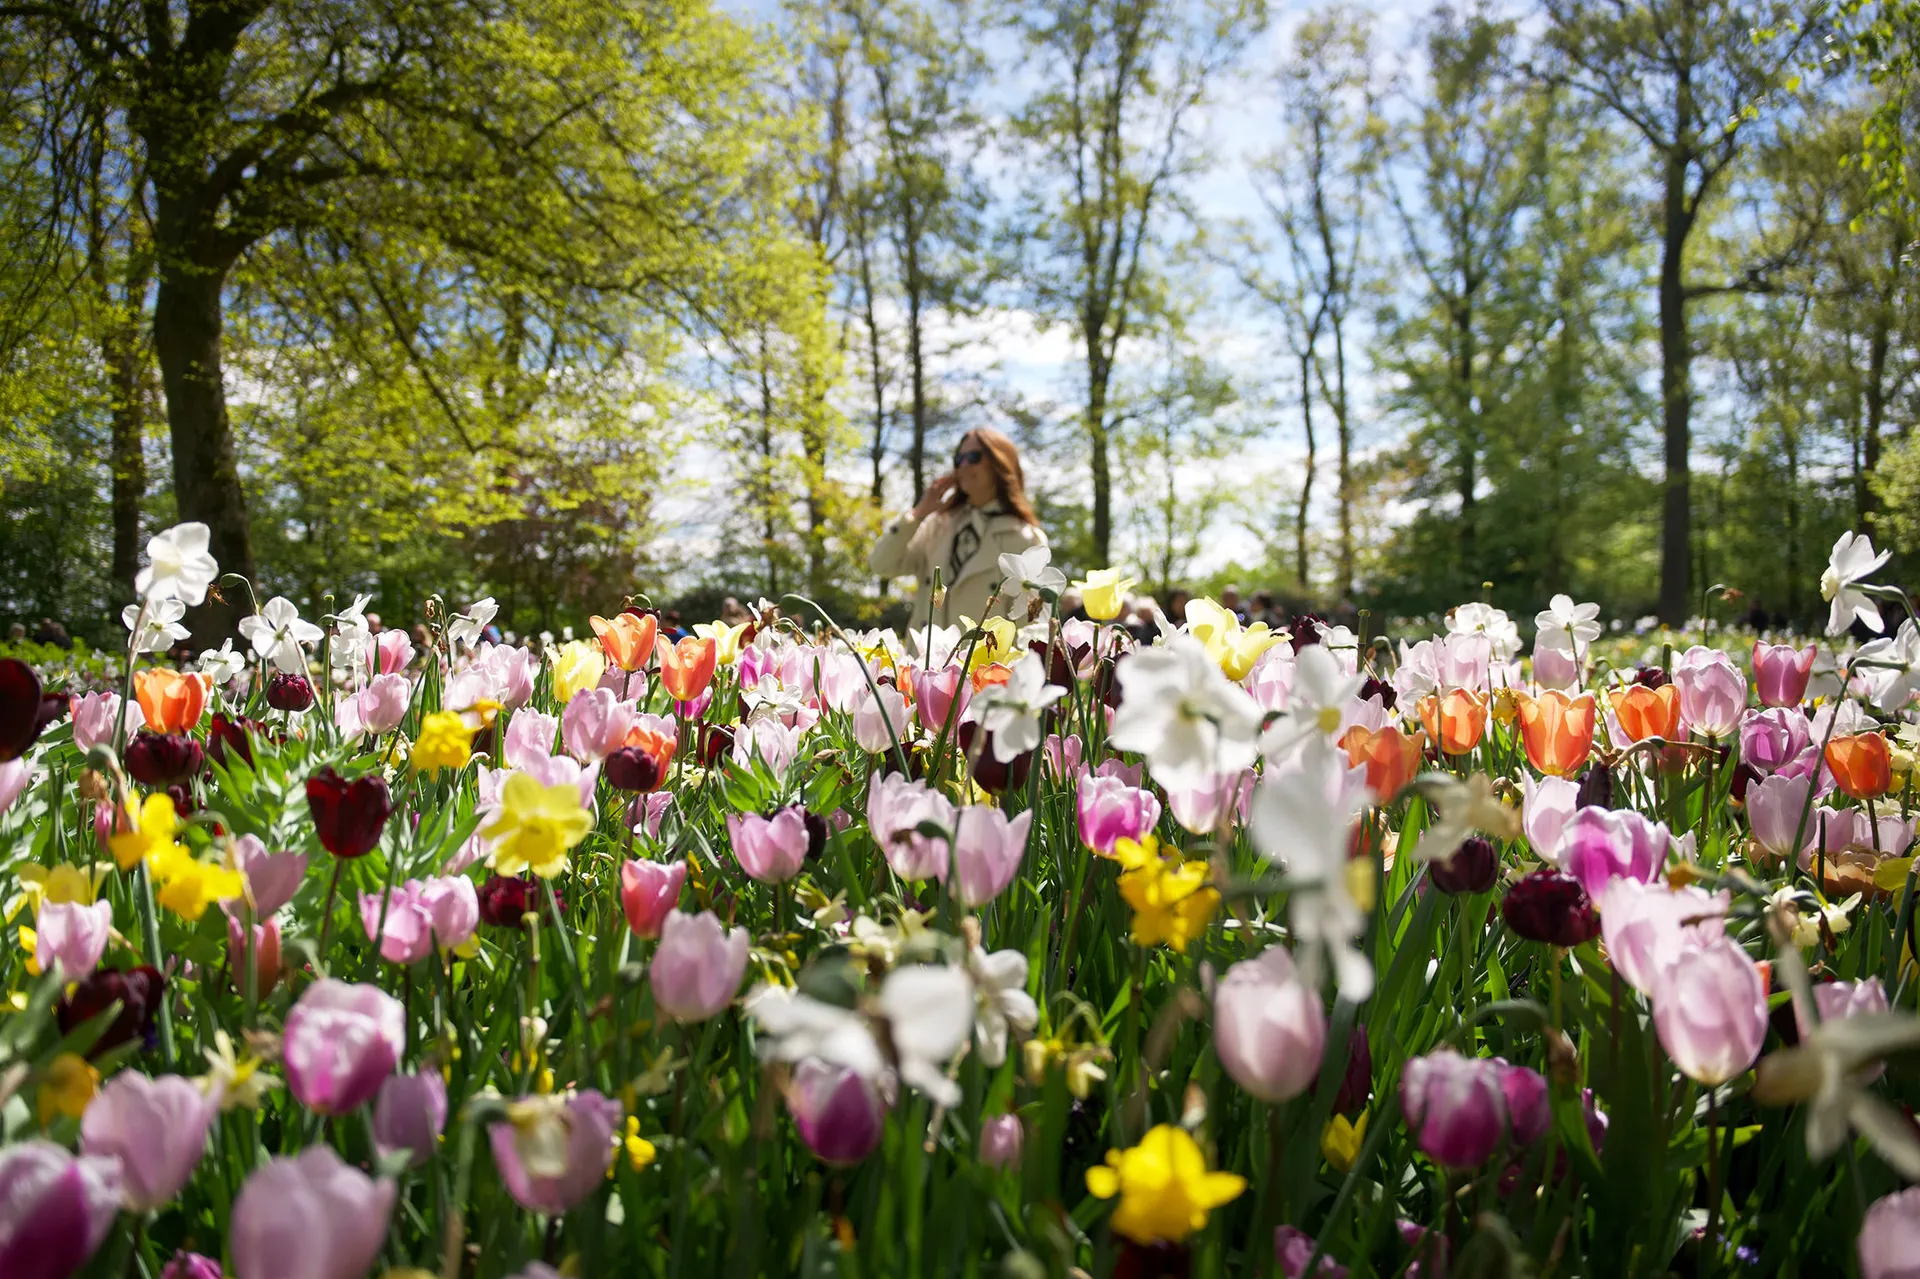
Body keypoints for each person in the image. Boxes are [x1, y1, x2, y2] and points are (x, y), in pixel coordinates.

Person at [869, 428, 1047, 628]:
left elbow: (1031, 624)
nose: (963, 465)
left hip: (982, 658)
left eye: (973, 457)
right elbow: (881, 565)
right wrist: (918, 514)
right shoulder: (936, 525)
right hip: (924, 657)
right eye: (958, 459)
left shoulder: (1026, 539)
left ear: (1000, 463)